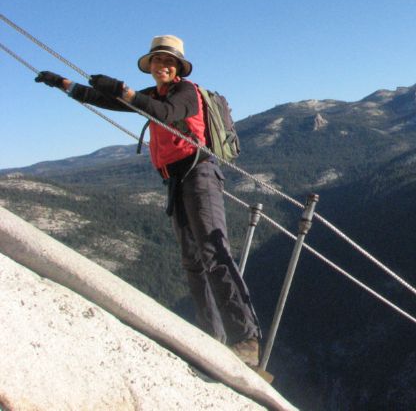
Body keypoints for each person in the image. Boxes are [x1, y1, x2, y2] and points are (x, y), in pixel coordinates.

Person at [35, 35, 261, 366]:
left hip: (200, 174)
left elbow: (166, 114)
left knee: (214, 254)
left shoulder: (187, 93)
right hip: (176, 180)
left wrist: (123, 90)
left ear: (178, 67)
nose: (163, 66)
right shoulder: (154, 94)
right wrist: (64, 84)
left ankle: (246, 340)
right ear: (151, 65)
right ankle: (211, 338)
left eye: (169, 61)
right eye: (158, 60)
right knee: (192, 261)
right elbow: (107, 100)